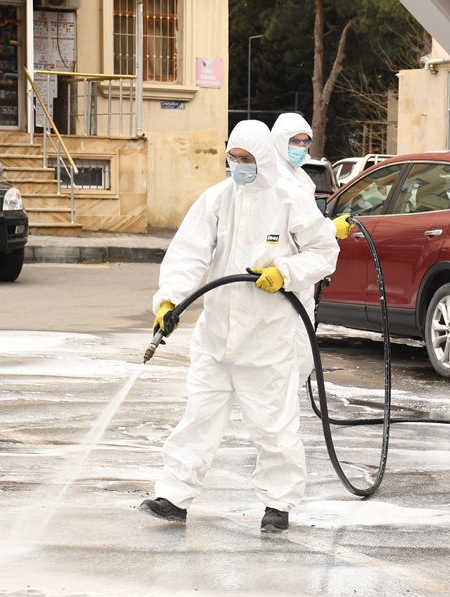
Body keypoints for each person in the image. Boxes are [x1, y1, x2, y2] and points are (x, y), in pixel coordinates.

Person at [139, 120, 339, 532]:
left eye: (248, 160)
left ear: (264, 159)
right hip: (216, 337)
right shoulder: (215, 199)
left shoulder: (288, 199)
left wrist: (285, 271)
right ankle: (173, 496)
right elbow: (189, 254)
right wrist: (169, 300)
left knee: (274, 427)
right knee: (198, 417)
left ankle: (277, 506)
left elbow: (325, 251)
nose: (240, 166)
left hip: (267, 339)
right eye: (234, 158)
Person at [271, 112, 321, 386]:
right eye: (295, 142)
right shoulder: (272, 178)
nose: (301, 148)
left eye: (305, 142)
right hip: (278, 279)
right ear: (280, 141)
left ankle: (286, 414)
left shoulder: (302, 178)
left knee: (302, 355)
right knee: (278, 359)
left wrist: (327, 230)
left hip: (301, 278)